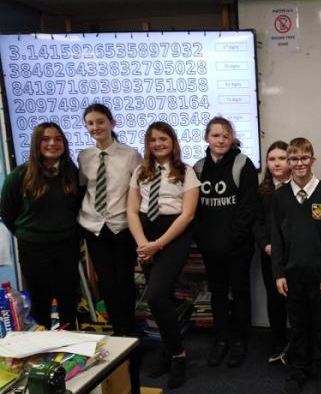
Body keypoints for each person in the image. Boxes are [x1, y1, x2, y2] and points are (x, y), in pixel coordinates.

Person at [127, 121, 199, 389]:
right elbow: (132, 210)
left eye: (163, 139)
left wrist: (157, 245)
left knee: (155, 295)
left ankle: (179, 354)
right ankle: (168, 349)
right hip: (145, 237)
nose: (158, 144)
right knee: (162, 298)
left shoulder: (186, 171)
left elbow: (188, 215)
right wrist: (142, 244)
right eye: (153, 139)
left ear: (173, 142)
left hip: (174, 236)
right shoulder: (140, 171)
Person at [271, 137, 321, 394]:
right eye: (294, 159)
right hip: (292, 275)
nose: (299, 163)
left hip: (320, 275)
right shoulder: (280, 196)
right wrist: (278, 273)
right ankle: (299, 369)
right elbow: (276, 238)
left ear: (312, 160)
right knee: (298, 326)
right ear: (288, 163)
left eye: (304, 158)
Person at [0, 122, 81, 330]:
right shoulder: (20, 175)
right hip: (33, 249)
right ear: (37, 144)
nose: (52, 143)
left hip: (67, 245)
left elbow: (77, 205)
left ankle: (71, 343)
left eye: (58, 139)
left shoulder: (71, 172)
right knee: (40, 303)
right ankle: (44, 345)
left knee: (68, 299)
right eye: (45, 139)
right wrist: (27, 233)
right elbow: (7, 212)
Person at [193, 117, 258, 368]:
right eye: (216, 135)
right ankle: (221, 340)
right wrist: (204, 240)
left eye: (226, 136)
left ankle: (239, 342)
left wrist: (231, 240)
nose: (221, 140)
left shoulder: (243, 164)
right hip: (210, 248)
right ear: (206, 138)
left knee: (240, 293)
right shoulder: (198, 168)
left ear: (232, 139)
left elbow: (248, 208)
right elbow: (194, 210)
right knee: (218, 294)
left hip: (237, 247)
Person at [78, 104, 141, 338]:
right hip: (94, 227)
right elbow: (83, 189)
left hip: (121, 226)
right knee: (107, 283)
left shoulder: (130, 155)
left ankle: (130, 333)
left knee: (124, 281)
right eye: (90, 123)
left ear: (112, 123)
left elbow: (139, 190)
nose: (96, 127)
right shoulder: (84, 156)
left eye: (100, 121)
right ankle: (118, 331)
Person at [254, 140, 291, 364]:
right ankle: (278, 342)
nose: (276, 163)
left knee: (297, 300)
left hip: (296, 255)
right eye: (272, 159)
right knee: (275, 299)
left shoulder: (299, 188)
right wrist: (265, 245)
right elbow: (257, 222)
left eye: (282, 158)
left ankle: (298, 344)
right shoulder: (262, 192)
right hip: (270, 255)